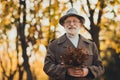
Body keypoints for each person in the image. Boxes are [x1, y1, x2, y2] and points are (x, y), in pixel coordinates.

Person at [43, 8, 104, 80]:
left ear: (80, 24)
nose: (71, 24)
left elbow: (100, 67)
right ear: (63, 24)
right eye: (68, 22)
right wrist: (66, 71)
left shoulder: (91, 45)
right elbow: (47, 67)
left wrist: (88, 71)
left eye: (75, 21)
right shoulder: (54, 45)